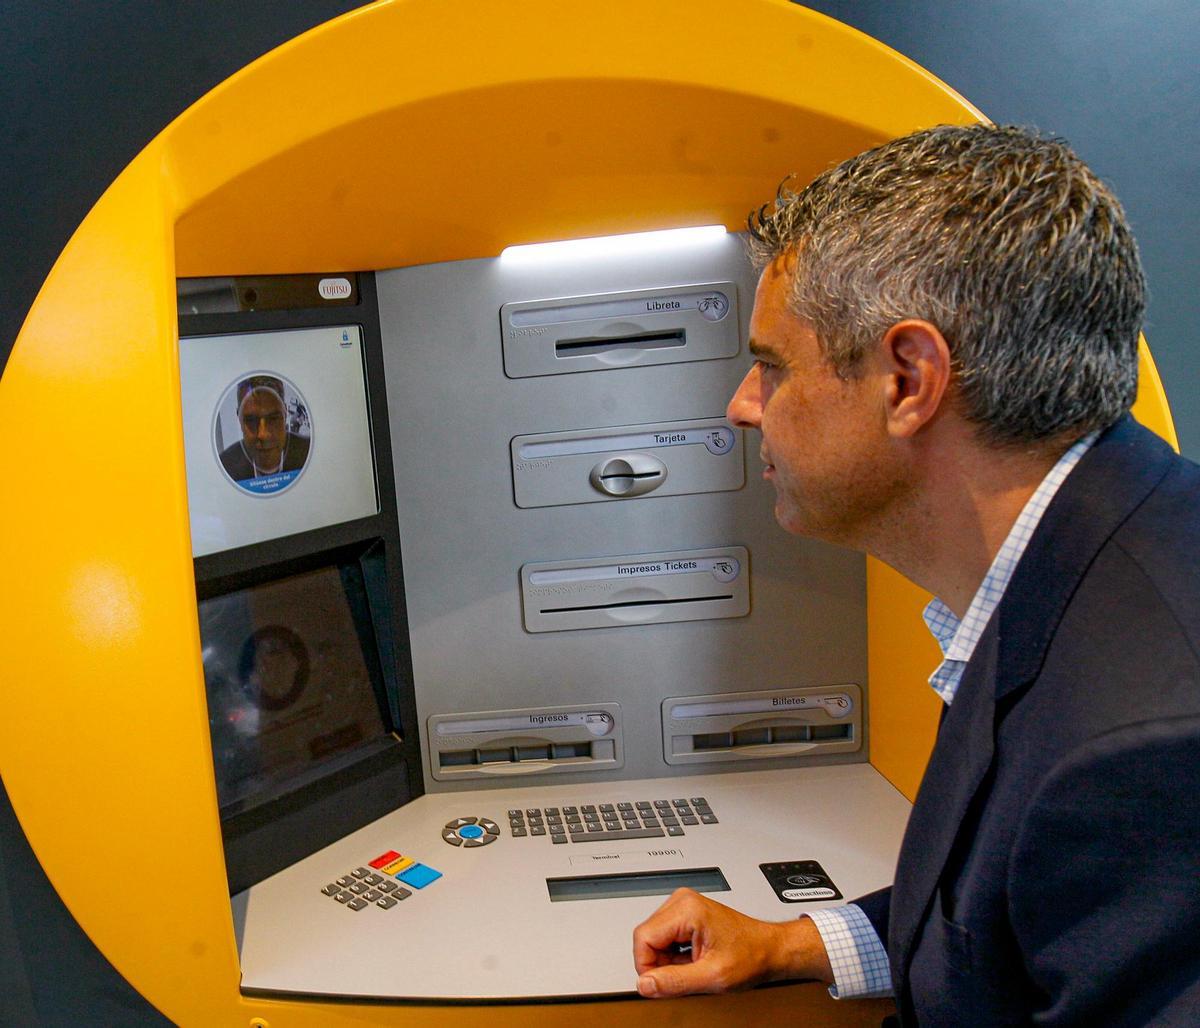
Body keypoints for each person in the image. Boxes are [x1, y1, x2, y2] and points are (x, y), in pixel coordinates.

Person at [632, 124, 1200, 1025]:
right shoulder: (1096, 559)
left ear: (908, 380)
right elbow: (1014, 911)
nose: (742, 406)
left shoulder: (1142, 745)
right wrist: (794, 942)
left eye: (773, 367)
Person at [218, 374, 310, 483]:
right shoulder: (226, 466)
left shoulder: (308, 452)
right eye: (251, 420)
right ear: (239, 419)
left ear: (285, 415)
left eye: (273, 418)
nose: (263, 435)